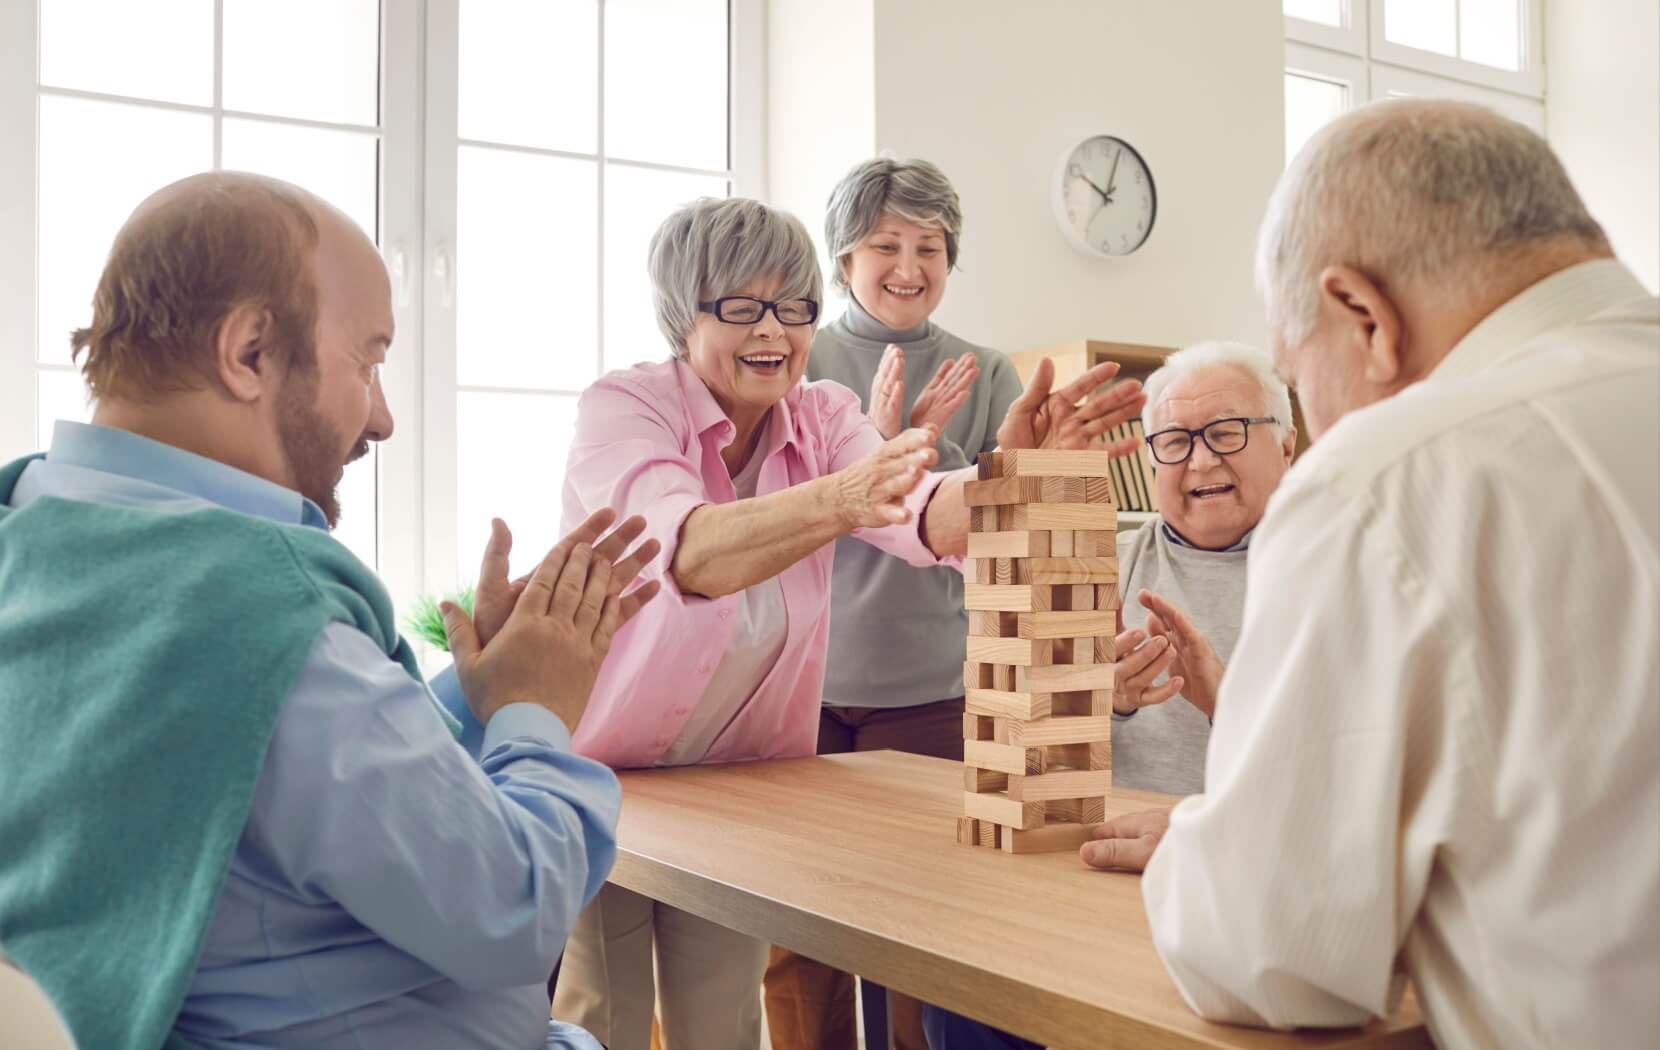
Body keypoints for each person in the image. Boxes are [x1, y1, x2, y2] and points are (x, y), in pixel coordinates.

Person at [0, 172, 659, 1050]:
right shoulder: (261, 617)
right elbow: (515, 911)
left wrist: (475, 700)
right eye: (369, 360)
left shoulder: (44, 537)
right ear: (250, 353)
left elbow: (255, 784)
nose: (381, 418)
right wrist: (540, 710)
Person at [1084, 100, 1659, 1049]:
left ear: (1363, 315)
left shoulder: (1389, 479)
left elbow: (1271, 956)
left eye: (1293, 377)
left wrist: (1200, 841)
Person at [549, 195, 1146, 1050]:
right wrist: (843, 498)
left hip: (737, 775)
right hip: (601, 770)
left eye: (794, 308)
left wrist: (1019, 481)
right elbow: (688, 554)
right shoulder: (624, 409)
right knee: (599, 1016)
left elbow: (916, 510)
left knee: (723, 1021)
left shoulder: (824, 414)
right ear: (684, 316)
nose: (775, 331)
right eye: (744, 307)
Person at [920, 340, 1297, 1048]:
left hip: (1242, 887)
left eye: (1226, 432)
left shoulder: (1337, 569)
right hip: (1091, 874)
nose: (1203, 460)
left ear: (1287, 442)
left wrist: (1228, 706)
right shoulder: (1096, 559)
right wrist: (1100, 701)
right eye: (1176, 441)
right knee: (963, 998)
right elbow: (1014, 752)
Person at [764, 157, 1025, 1050]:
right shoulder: (799, 357)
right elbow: (780, 514)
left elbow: (1003, 541)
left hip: (925, 688)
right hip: (798, 683)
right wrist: (873, 456)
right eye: (886, 245)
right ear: (843, 258)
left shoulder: (988, 373)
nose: (909, 265)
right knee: (798, 928)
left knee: (922, 930)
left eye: (930, 246)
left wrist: (928, 459)